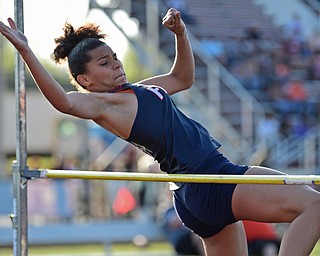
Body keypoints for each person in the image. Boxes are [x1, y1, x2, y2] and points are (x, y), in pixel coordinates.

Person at [1, 8, 320, 256]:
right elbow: (62, 102)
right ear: (85, 80)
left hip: (200, 186)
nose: (116, 65)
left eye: (114, 58)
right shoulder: (104, 105)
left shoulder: (142, 90)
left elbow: (182, 78)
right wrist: (27, 53)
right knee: (313, 206)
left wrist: (180, 34)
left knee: (312, 197)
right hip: (208, 180)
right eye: (104, 63)